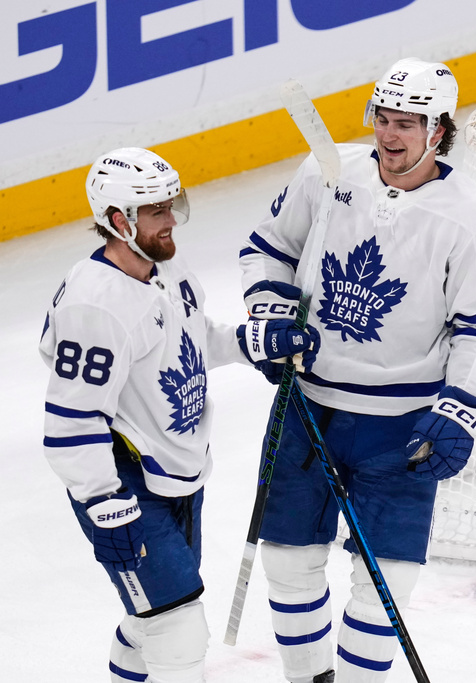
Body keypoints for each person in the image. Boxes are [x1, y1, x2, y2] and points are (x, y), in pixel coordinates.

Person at [238, 58, 476, 683]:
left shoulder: (471, 212)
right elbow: (267, 251)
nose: (389, 135)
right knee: (287, 560)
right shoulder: (328, 174)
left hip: (401, 424)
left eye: (407, 123)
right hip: (310, 407)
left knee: (387, 581)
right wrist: (270, 313)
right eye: (382, 119)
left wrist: (461, 408)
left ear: (438, 131)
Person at [40, 147, 318, 683]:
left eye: (172, 204)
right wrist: (103, 501)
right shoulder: (93, 305)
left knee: (152, 619)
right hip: (126, 482)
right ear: (118, 221)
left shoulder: (165, 265)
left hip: (178, 471)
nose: (172, 220)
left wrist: (249, 341)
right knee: (179, 632)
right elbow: (71, 422)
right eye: (156, 211)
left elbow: (188, 340)